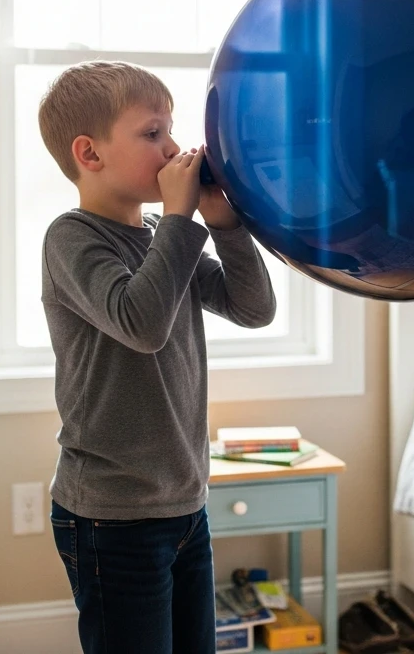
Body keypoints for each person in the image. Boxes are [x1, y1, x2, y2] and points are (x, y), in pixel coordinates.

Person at [36, 60, 277, 654]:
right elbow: (140, 323)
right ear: (90, 154)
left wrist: (224, 226)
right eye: (152, 134)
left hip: (185, 501)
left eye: (170, 131)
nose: (173, 149)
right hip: (112, 516)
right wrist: (178, 218)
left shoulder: (160, 237)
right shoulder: (71, 239)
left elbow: (253, 308)